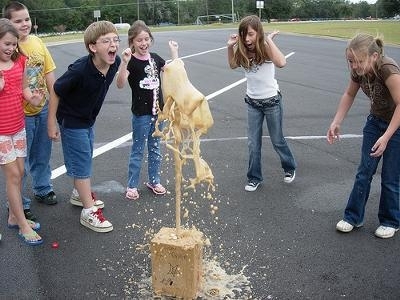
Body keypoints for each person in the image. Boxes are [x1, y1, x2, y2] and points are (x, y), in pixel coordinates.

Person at [48, 20, 121, 233]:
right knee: (82, 163)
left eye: (115, 39)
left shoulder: (113, 63)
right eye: (106, 41)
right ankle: (88, 212)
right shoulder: (79, 70)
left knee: (85, 156)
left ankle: (79, 194)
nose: (113, 45)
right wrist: (51, 122)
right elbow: (56, 90)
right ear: (92, 47)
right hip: (72, 120)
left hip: (88, 118)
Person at [327, 33, 400, 239]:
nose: (354, 66)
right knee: (364, 171)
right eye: (350, 61)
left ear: (374, 56)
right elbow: (349, 94)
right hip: (375, 122)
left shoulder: (387, 69)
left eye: (358, 61)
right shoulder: (358, 71)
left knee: (390, 176)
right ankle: (353, 217)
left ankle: (390, 221)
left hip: (396, 126)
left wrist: (386, 137)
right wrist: (336, 121)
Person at [227, 15, 297, 192]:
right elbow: (232, 65)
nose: (247, 39)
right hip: (252, 103)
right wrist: (230, 46)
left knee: (277, 140)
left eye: (250, 34)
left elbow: (281, 62)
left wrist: (268, 40)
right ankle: (254, 177)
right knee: (253, 143)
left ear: (258, 33)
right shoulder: (243, 50)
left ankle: (289, 167)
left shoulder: (265, 49)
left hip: (272, 102)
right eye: (243, 35)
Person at [3, 2, 58, 223]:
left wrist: (53, 105)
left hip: (41, 108)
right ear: (8, 24)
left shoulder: (37, 42)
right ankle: (19, 205)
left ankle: (43, 188)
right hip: (19, 115)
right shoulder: (9, 48)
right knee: (19, 164)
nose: (24, 24)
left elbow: (49, 73)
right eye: (18, 21)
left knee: (42, 154)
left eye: (26, 19)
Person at [116, 20, 178, 200]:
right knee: (137, 149)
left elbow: (175, 73)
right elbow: (120, 84)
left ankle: (154, 180)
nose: (143, 43)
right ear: (132, 43)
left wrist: (174, 53)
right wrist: (124, 63)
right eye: (139, 40)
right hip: (141, 115)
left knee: (155, 148)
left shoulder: (156, 59)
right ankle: (132, 185)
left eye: (146, 39)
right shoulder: (132, 62)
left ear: (150, 39)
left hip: (159, 113)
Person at [0, 18, 43, 245]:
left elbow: (23, 88)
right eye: (6, 43)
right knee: (14, 175)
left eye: (14, 44)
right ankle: (23, 224)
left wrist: (32, 98)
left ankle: (12, 216)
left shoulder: (20, 61)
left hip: (18, 127)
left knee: (20, 172)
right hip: (1, 132)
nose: (11, 48)